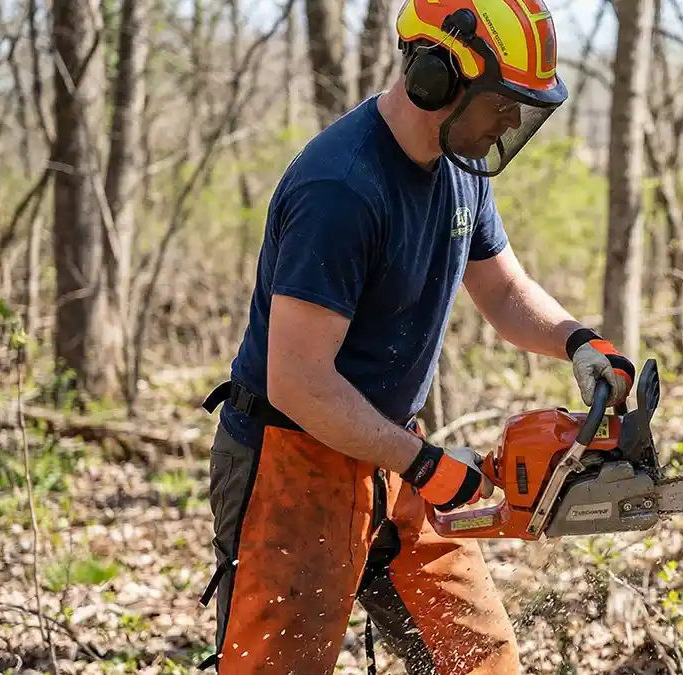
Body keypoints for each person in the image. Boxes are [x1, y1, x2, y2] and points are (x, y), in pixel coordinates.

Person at [194, 1, 635, 673]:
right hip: (295, 461)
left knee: (480, 659)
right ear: (437, 78)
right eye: (503, 103)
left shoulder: (460, 169)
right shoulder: (341, 187)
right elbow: (298, 380)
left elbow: (503, 291)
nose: (510, 121)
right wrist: (423, 462)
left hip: (394, 454)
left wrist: (578, 341)